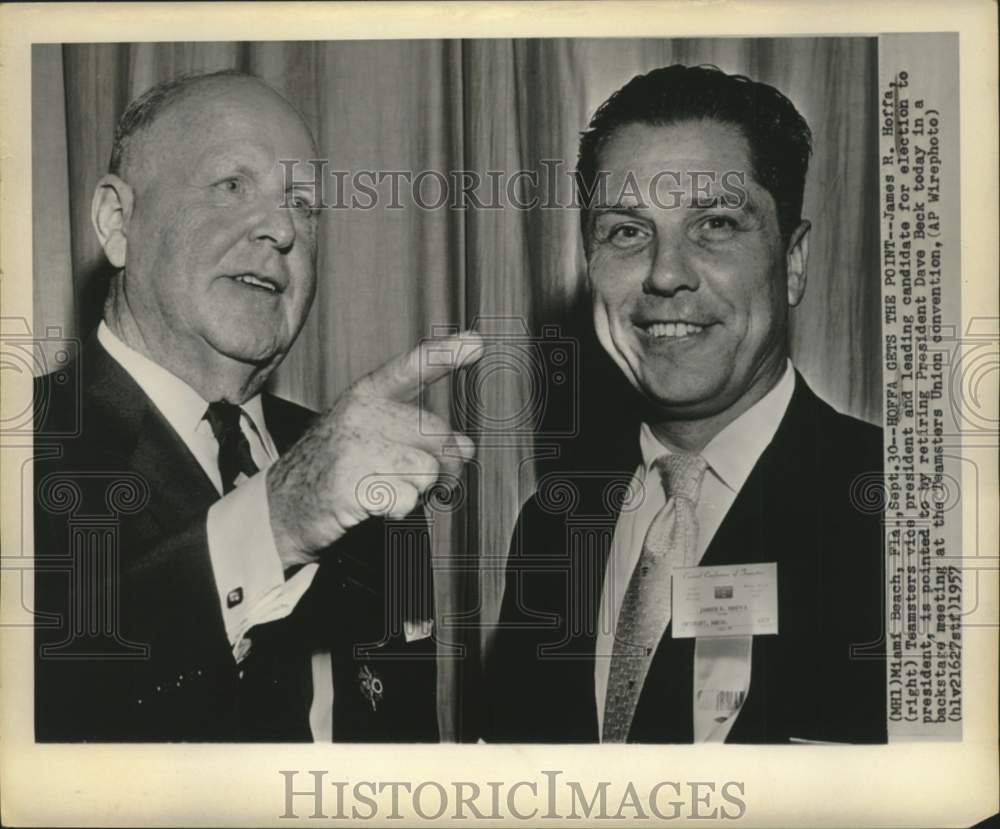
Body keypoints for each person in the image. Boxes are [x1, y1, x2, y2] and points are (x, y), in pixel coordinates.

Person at [33, 70, 482, 742]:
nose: (280, 228)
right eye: (231, 186)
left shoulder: (363, 475)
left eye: (302, 204)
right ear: (118, 222)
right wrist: (275, 521)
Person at [487, 65, 887, 744]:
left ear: (793, 261)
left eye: (716, 224)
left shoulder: (901, 513)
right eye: (626, 231)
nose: (665, 273)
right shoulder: (552, 526)